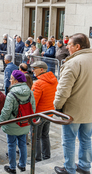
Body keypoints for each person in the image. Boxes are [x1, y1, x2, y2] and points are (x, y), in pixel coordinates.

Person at [53, 33, 92, 174]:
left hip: (73, 111)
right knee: (86, 139)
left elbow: (63, 90)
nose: (67, 47)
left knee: (69, 140)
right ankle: (85, 166)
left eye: (69, 44)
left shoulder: (73, 62)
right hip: (89, 110)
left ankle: (69, 169)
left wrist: (57, 106)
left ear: (77, 46)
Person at [0, 70, 35, 174]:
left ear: (15, 80)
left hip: (12, 124)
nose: (10, 80)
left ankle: (12, 167)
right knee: (23, 144)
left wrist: (2, 120)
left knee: (11, 145)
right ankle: (23, 165)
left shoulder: (11, 94)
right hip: (25, 123)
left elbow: (6, 111)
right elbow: (33, 108)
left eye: (11, 78)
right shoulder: (30, 92)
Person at [30, 61, 58, 163]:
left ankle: (36, 158)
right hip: (49, 113)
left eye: (34, 68)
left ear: (41, 70)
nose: (32, 70)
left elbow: (33, 103)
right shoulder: (54, 80)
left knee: (35, 137)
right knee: (45, 135)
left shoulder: (38, 84)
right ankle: (46, 156)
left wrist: (30, 116)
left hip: (39, 114)